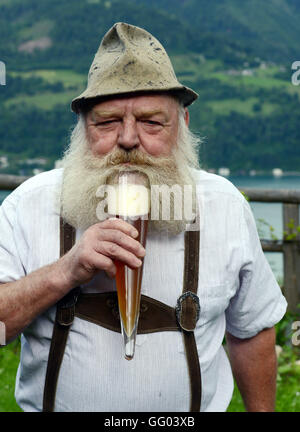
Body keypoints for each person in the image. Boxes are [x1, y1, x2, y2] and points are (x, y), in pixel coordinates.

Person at [0, 22, 287, 412]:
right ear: (84, 128)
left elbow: (252, 331)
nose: (129, 139)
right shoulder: (29, 204)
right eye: (108, 121)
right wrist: (65, 271)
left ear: (182, 125)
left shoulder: (223, 206)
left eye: (152, 122)